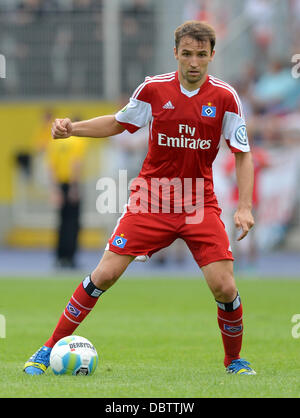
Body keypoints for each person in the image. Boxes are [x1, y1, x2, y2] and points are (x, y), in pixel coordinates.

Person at [24, 20, 256, 376]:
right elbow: (119, 123)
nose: (193, 62)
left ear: (212, 55)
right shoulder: (154, 90)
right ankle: (46, 349)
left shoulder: (224, 97)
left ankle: (234, 361)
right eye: (187, 54)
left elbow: (242, 152)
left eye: (201, 55)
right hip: (152, 199)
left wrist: (244, 207)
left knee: (224, 286)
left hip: (198, 203)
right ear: (175, 53)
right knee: (104, 275)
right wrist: (73, 128)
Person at [46, 131, 87, 268]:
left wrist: (54, 189)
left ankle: (60, 257)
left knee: (62, 222)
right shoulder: (78, 140)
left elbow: (51, 166)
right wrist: (74, 187)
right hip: (71, 184)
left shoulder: (55, 141)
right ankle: (70, 257)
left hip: (59, 184)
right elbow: (76, 163)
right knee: (73, 223)